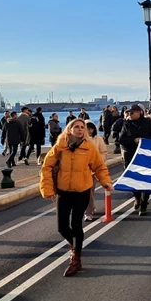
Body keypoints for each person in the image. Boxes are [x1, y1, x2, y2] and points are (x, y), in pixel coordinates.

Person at [40, 118, 113, 277]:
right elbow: (47, 167)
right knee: (62, 227)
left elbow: (99, 166)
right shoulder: (59, 147)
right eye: (77, 127)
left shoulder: (89, 148)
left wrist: (106, 182)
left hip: (82, 191)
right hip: (63, 191)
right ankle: (73, 246)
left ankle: (76, 258)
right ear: (69, 129)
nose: (80, 129)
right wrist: (47, 189)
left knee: (76, 224)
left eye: (82, 127)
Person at [119, 104, 151, 215]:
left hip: (145, 155)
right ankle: (136, 197)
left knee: (147, 179)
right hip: (131, 154)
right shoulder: (126, 124)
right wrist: (134, 140)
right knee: (132, 179)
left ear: (140, 112)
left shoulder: (148, 123)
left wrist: (143, 140)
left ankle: (144, 203)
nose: (130, 115)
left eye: (132, 113)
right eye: (128, 113)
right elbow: (121, 139)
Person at [84, 121, 108, 221]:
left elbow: (103, 152)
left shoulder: (98, 139)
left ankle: (88, 211)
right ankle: (89, 209)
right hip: (81, 170)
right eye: (87, 128)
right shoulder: (80, 139)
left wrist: (98, 162)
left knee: (90, 191)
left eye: (91, 128)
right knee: (84, 192)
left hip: (94, 169)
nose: (89, 131)